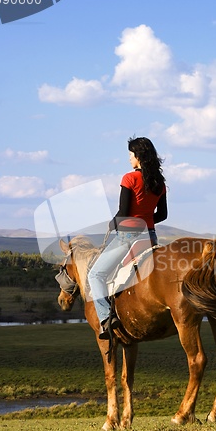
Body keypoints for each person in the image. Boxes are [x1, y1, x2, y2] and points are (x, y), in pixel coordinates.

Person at [88, 137, 167, 339]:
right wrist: (146, 219)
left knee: (95, 275)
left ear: (138, 157)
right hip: (150, 237)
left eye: (131, 155)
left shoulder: (129, 179)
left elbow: (123, 213)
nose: (129, 159)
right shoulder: (160, 182)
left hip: (128, 236)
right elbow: (163, 215)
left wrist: (112, 223)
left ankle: (106, 319)